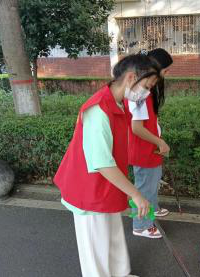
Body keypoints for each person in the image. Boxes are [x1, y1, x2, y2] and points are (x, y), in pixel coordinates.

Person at [53, 53, 160, 277]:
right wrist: (137, 194)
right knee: (96, 249)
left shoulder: (119, 104)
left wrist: (130, 191)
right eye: (147, 85)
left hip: (106, 186)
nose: (147, 92)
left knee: (112, 235)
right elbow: (102, 163)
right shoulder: (98, 110)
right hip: (88, 189)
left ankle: (120, 273)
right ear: (131, 77)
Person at [125, 48, 173, 238]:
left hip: (150, 147)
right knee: (145, 187)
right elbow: (136, 128)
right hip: (144, 149)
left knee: (151, 183)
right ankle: (141, 225)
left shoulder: (147, 90)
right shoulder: (140, 93)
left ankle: (152, 208)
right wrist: (160, 141)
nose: (167, 74)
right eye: (166, 70)